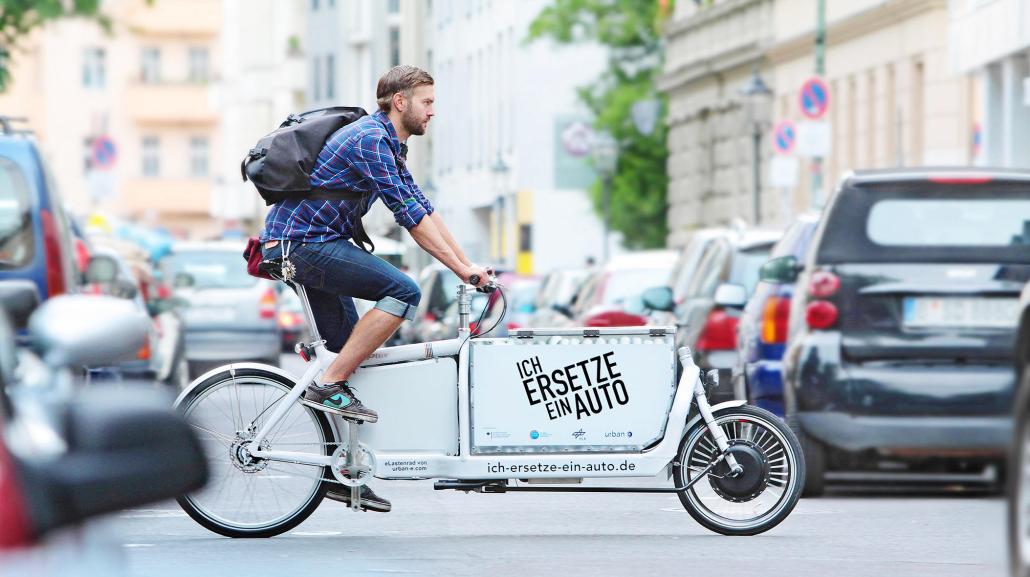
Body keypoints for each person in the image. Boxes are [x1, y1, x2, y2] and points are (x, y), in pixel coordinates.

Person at [259, 65, 490, 512]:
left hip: (312, 244)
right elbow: (411, 220)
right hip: (303, 245)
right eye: (427, 102)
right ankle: (329, 381)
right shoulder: (369, 138)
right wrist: (462, 271)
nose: (433, 111)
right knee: (403, 291)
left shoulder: (388, 143)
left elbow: (424, 208)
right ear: (400, 102)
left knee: (350, 356)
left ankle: (340, 473)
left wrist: (467, 266)